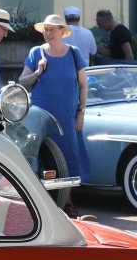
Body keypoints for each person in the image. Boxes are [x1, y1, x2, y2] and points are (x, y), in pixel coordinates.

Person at [18, 13, 91, 182]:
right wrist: (38, 72)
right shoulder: (36, 53)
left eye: (52, 30)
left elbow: (83, 85)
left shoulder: (74, 53)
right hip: (42, 121)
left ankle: (69, 196)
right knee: (44, 161)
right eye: (46, 29)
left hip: (67, 118)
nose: (48, 33)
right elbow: (22, 83)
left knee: (70, 161)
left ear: (61, 32)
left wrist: (81, 112)